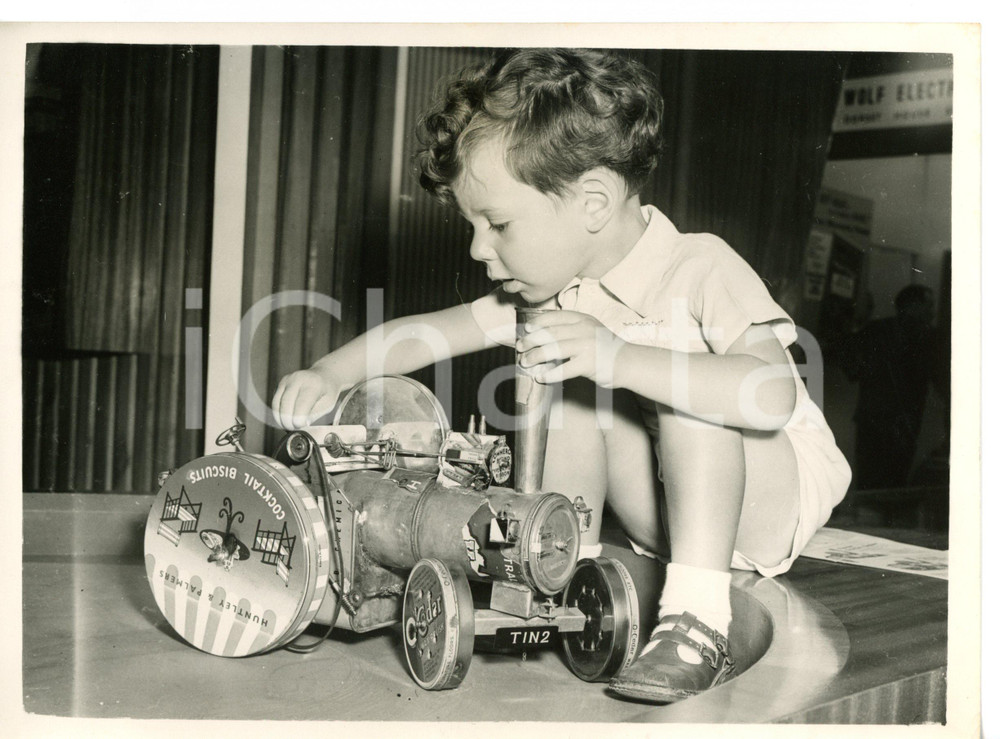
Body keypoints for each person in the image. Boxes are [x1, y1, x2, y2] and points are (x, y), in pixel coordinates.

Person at [271, 48, 851, 704]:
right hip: (666, 515)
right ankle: (555, 565)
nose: (477, 249)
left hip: (769, 498)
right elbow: (425, 332)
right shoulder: (550, 295)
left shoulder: (698, 266)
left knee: (682, 382)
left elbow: (771, 395)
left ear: (595, 201)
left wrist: (621, 357)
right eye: (473, 227)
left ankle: (697, 619)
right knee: (570, 375)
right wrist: (330, 371)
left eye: (498, 223)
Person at [843, 285, 944, 492]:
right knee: (894, 483)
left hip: (871, 418)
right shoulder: (930, 337)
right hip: (904, 422)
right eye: (929, 305)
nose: (933, 312)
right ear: (914, 305)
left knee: (867, 480)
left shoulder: (874, 330)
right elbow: (942, 383)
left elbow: (851, 370)